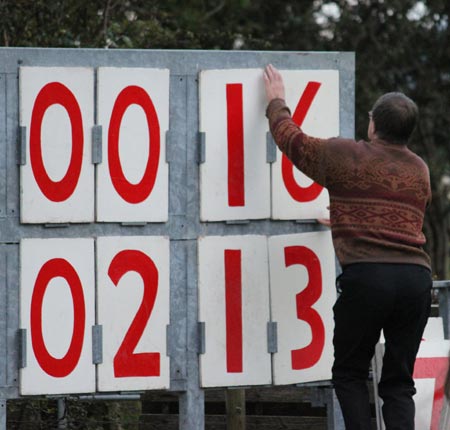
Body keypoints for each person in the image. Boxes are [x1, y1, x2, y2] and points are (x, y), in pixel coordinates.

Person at [263, 64, 432, 430]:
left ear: (373, 125)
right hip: (416, 281)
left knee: (350, 373)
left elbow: (291, 139)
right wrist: (345, 217)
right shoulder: (420, 170)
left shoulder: (345, 155)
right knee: (399, 384)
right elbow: (397, 220)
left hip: (369, 278)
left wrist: (277, 101)